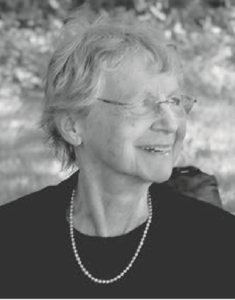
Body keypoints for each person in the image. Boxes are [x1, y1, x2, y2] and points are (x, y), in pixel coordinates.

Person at [0, 6, 235, 298]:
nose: (171, 123)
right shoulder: (11, 239)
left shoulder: (217, 244)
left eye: (174, 101)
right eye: (142, 103)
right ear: (73, 125)